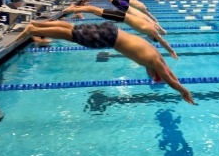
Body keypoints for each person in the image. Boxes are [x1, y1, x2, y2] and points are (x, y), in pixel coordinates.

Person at [16, 21, 194, 104]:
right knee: (71, 36)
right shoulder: (154, 63)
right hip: (110, 38)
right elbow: (170, 80)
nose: (148, 75)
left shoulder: (157, 55)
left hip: (112, 29)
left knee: (73, 28)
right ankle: (33, 30)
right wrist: (184, 92)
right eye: (154, 76)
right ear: (154, 73)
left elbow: (170, 74)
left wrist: (177, 82)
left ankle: (36, 23)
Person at [63, 3, 177, 59]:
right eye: (152, 39)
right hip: (121, 16)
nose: (150, 39)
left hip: (122, 16)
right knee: (95, 10)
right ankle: (73, 8)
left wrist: (162, 30)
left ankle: (75, 8)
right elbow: (163, 41)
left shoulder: (152, 26)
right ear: (153, 37)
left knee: (96, 11)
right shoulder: (152, 32)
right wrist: (171, 51)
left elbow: (156, 26)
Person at [92, 0, 158, 23]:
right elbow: (147, 14)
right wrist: (154, 20)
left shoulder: (141, 5)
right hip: (124, 2)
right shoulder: (142, 8)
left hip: (124, 1)